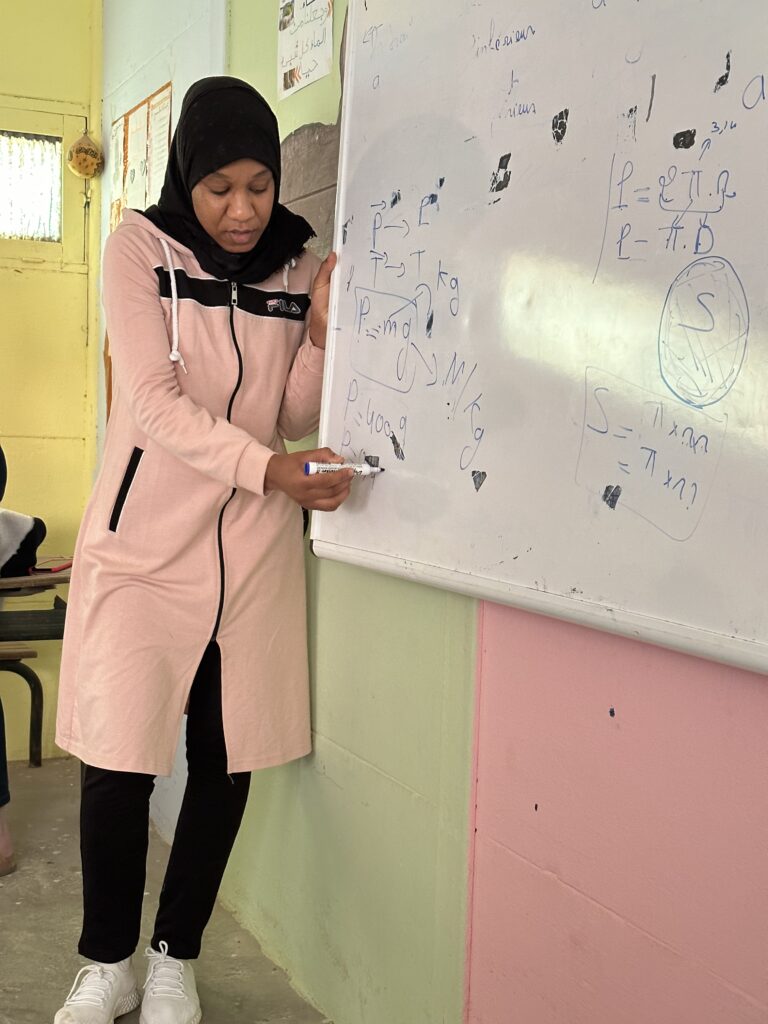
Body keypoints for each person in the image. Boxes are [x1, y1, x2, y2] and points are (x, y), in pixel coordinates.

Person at [53, 77, 353, 1024]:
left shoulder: (293, 263)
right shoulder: (139, 247)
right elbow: (151, 401)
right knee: (119, 760)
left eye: (260, 186)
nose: (240, 210)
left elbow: (292, 411)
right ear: (188, 175)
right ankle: (108, 964)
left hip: (251, 553)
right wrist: (271, 470)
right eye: (219, 187)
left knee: (226, 762)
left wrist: (319, 329)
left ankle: (176, 956)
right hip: (144, 541)